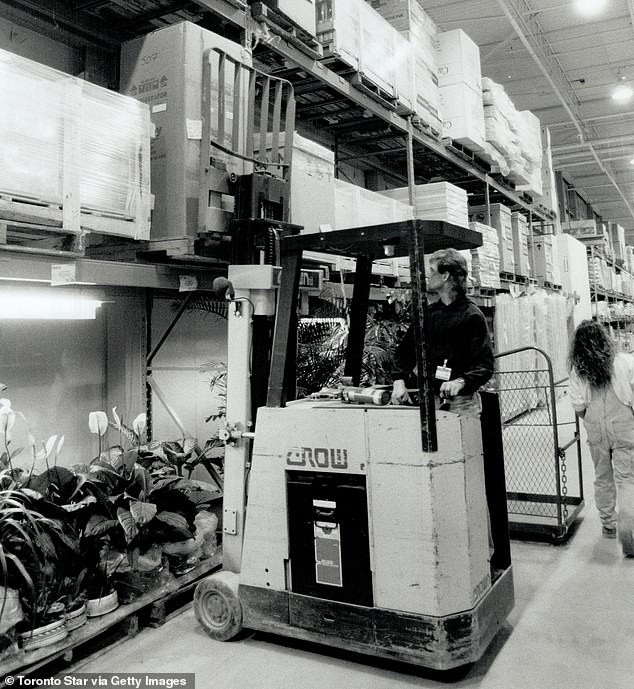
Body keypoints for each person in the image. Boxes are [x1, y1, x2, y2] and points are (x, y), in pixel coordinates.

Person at [390, 248, 494, 418]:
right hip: (429, 400)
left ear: (445, 276)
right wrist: (399, 381)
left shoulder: (472, 316)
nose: (427, 276)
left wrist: (461, 381)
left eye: (431, 271)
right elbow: (405, 352)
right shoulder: (428, 314)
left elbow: (485, 365)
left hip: (461, 403)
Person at [568, 319, 634, 555]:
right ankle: (630, 531)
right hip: (623, 423)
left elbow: (578, 406)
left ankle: (608, 525)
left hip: (595, 424)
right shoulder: (624, 361)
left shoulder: (578, 371)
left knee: (602, 475)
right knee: (626, 478)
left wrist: (591, 419)